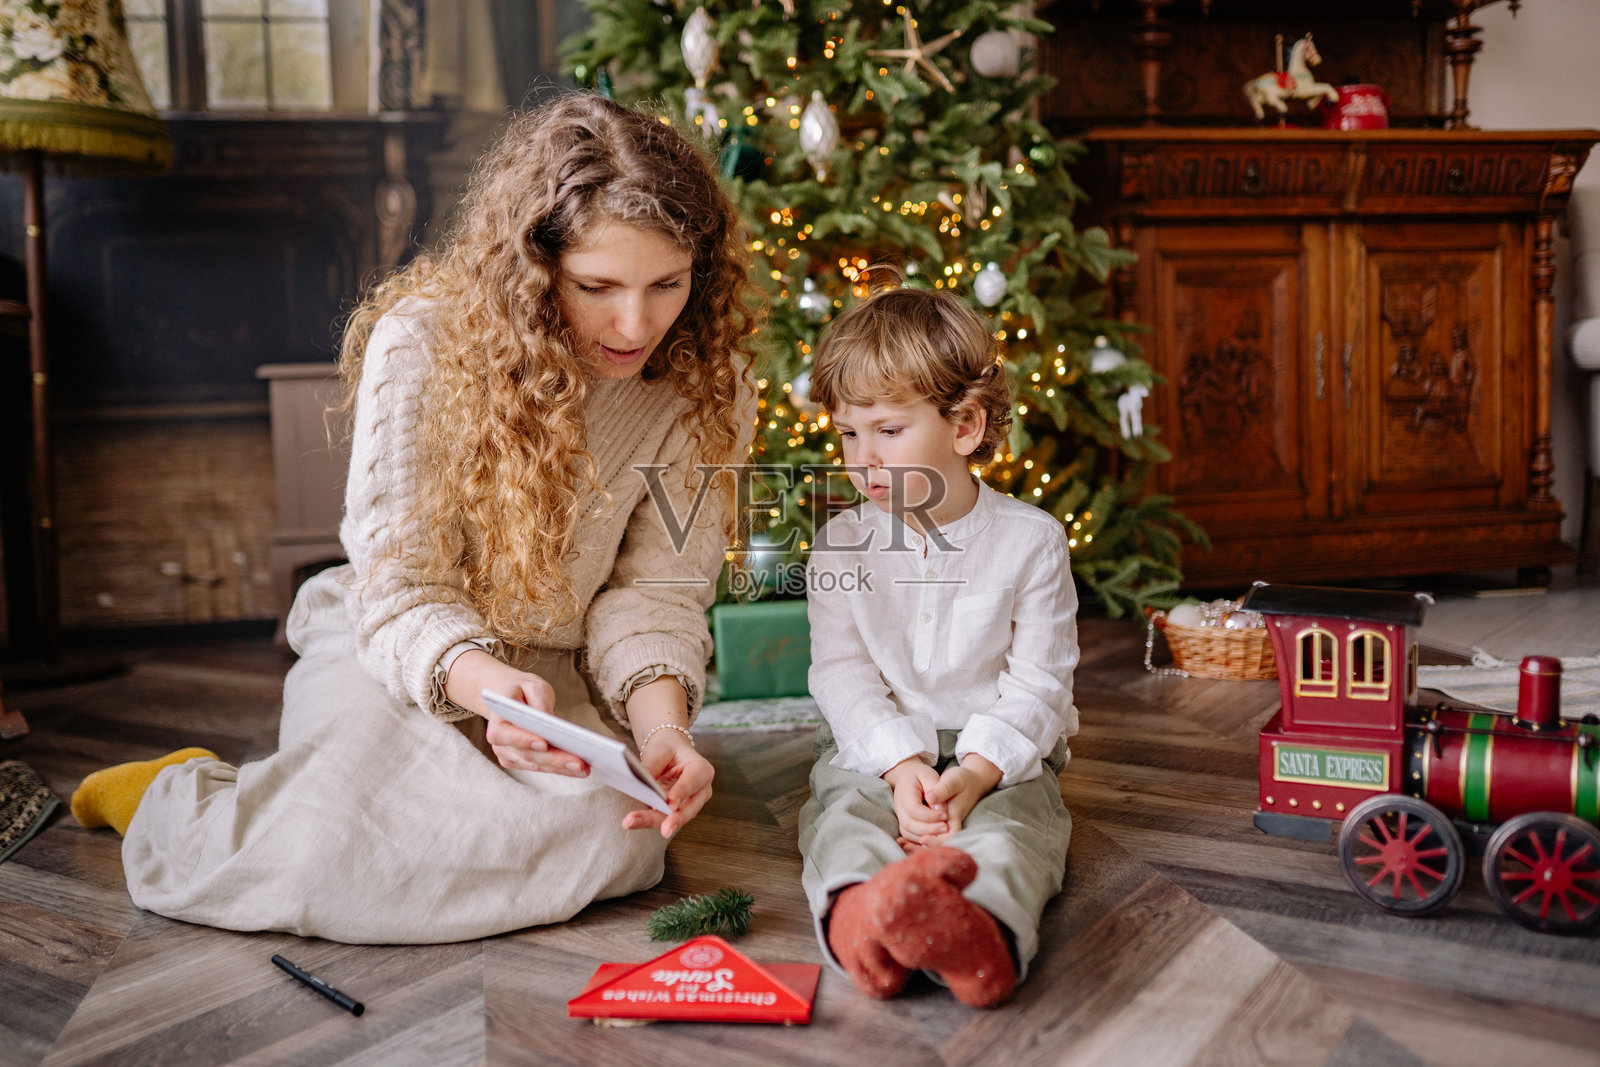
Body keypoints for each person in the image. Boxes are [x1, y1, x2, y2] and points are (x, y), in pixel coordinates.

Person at [68, 93, 759, 943]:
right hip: (405, 651)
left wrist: (663, 734)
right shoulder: (424, 343)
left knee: (614, 846)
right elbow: (399, 586)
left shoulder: (707, 388)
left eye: (667, 284)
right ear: (535, 266)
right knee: (323, 860)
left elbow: (655, 594)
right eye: (596, 286)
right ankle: (174, 791)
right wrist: (481, 684)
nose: (636, 324)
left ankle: (308, 796)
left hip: (559, 675)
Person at [798, 285, 1078, 1008]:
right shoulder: (839, 546)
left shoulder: (1032, 541)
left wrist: (977, 775)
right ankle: (864, 913)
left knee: (1019, 831)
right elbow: (841, 673)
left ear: (964, 426)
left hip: (1001, 753)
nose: (862, 458)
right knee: (840, 817)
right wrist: (899, 766)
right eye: (847, 434)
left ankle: (979, 927)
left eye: (888, 430)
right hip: (880, 749)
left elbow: (1040, 683)